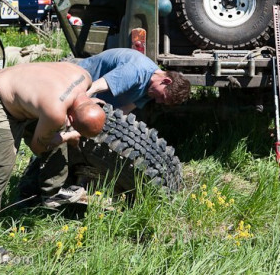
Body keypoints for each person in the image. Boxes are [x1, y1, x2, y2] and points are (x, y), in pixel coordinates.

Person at [18, 48, 191, 206]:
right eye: (162, 97)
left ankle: (51, 184)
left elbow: (122, 112)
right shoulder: (136, 71)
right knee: (58, 138)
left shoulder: (150, 88)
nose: (158, 101)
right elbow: (92, 88)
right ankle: (34, 192)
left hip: (89, 101)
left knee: (75, 140)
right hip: (73, 88)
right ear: (166, 80)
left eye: (163, 102)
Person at [0, 62, 105, 259]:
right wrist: (69, 135)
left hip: (19, 93)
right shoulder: (56, 112)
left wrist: (63, 131)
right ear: (72, 120)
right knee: (0, 167)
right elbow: (38, 147)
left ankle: (52, 193)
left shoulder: (84, 76)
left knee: (55, 130)